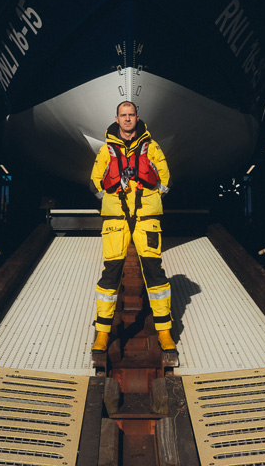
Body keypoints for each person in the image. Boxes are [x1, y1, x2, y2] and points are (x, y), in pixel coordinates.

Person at [89, 101, 176, 352]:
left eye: (131, 115)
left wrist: (147, 189)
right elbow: (94, 184)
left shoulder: (153, 147)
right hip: (116, 221)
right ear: (116, 119)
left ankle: (165, 332)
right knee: (110, 274)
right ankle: (102, 334)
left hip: (146, 218)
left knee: (155, 273)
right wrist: (113, 195)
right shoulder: (106, 150)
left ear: (137, 117)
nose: (127, 119)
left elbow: (166, 181)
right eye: (123, 116)